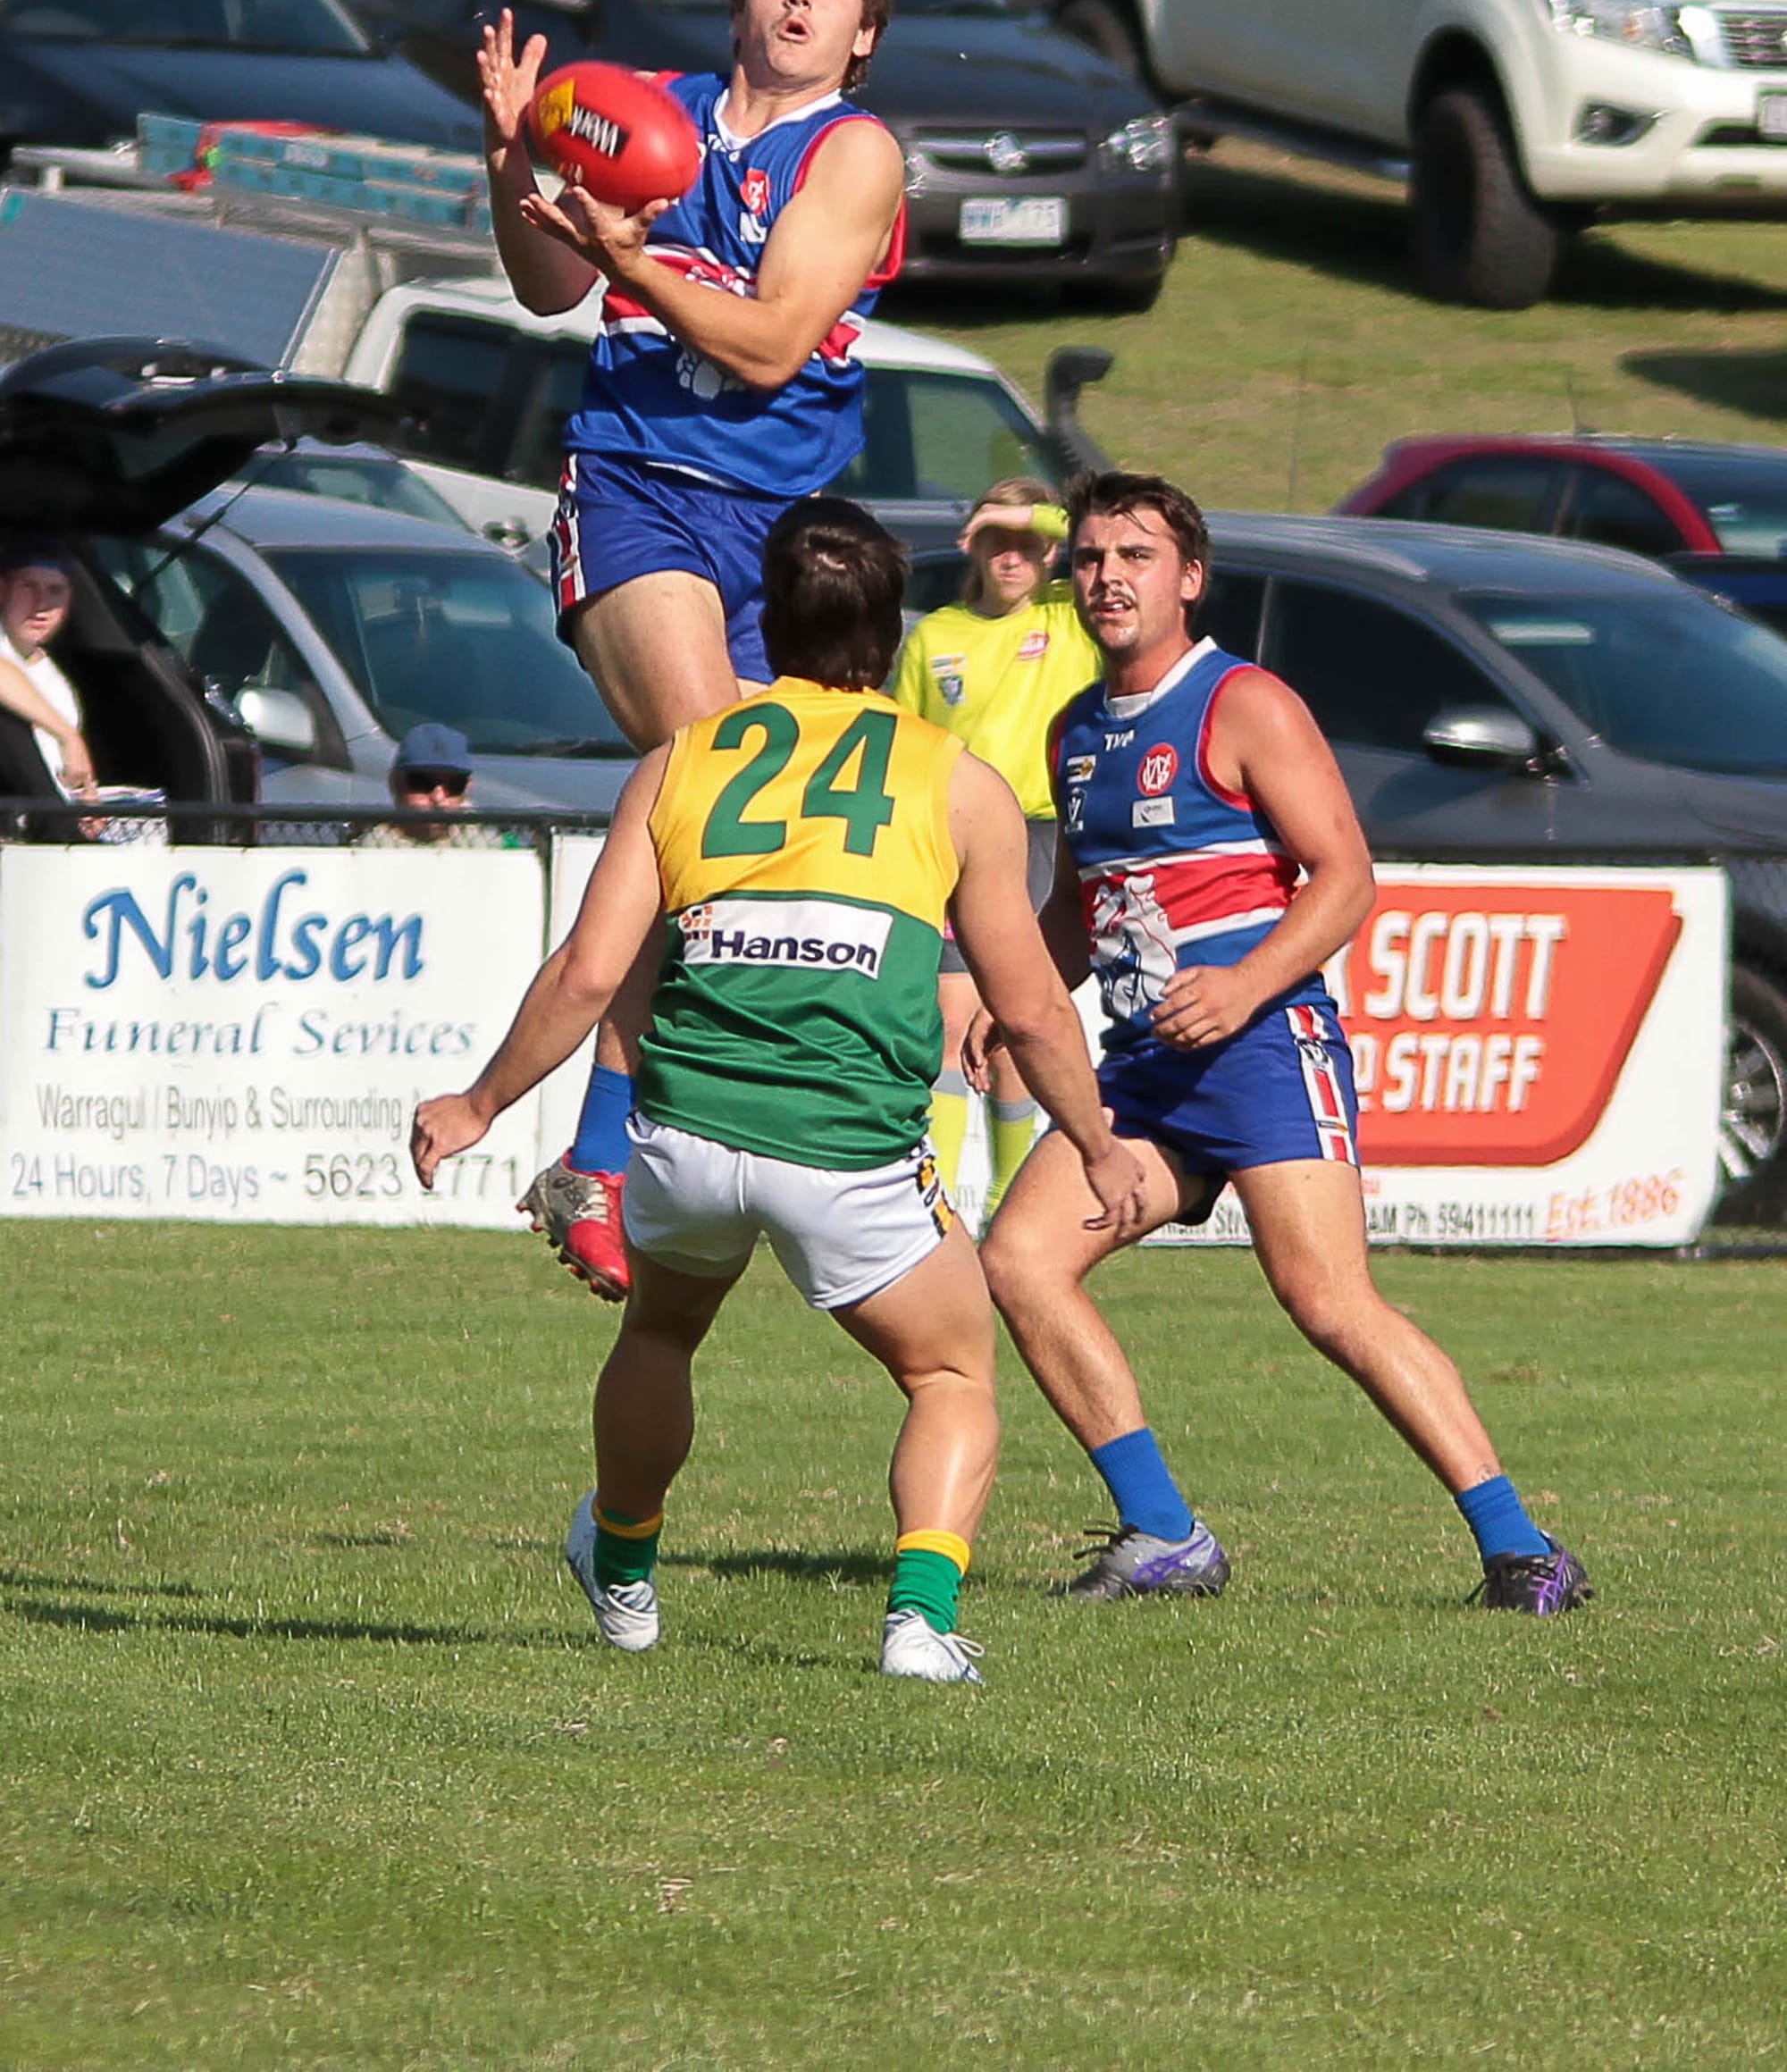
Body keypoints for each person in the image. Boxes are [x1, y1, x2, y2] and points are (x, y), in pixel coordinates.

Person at [411, 499, 1149, 1682]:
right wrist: (1098, 1141)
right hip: (850, 1149)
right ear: (892, 630)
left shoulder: (681, 759)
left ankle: (629, 1571)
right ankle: (918, 1622)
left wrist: (480, 1104)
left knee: (662, 1330)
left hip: (690, 1131)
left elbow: (592, 974)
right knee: (951, 1373)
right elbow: (1029, 1009)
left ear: (768, 619)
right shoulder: (956, 784)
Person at [974, 469, 1593, 1618]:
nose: (1108, 577)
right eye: (1093, 557)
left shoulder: (1242, 702)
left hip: (1260, 1043)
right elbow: (1077, 904)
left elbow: (1345, 877)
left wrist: (1243, 984)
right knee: (1018, 1259)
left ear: (1188, 579)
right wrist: (998, 992)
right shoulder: (1073, 730)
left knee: (1326, 1303)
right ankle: (1163, 1533)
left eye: (1136, 556)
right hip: (1144, 1070)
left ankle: (1522, 1548)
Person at [477, 0, 906, 1304]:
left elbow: (779, 341)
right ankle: (605, 1153)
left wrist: (629, 259)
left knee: (729, 839)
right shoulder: (638, 109)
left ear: (860, 39)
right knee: (705, 767)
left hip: (784, 531)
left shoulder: (854, 156)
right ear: (739, 1)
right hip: (639, 483)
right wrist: (509, 157)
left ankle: (619, 1149)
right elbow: (547, 288)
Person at [889, 476, 1099, 1227]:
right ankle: (935, 1207)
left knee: (1013, 1024)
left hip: (1043, 836)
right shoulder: (937, 634)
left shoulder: (1069, 617)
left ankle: (1009, 1206)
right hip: (955, 837)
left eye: (1027, 542)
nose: (1013, 555)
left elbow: (1081, 527)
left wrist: (1013, 514)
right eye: (995, 541)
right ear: (971, 546)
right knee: (948, 1021)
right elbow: (907, 743)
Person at [0, 542, 97, 802]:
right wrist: (68, 736)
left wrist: (85, 798)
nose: (41, 605)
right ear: (2, 589)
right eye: (29, 587)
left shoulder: (57, 682)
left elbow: (64, 768)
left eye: (55, 591)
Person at [356, 723, 524, 849]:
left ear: (467, 788)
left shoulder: (498, 849)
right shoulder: (360, 854)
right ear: (395, 783)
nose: (439, 799)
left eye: (454, 786)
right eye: (422, 783)